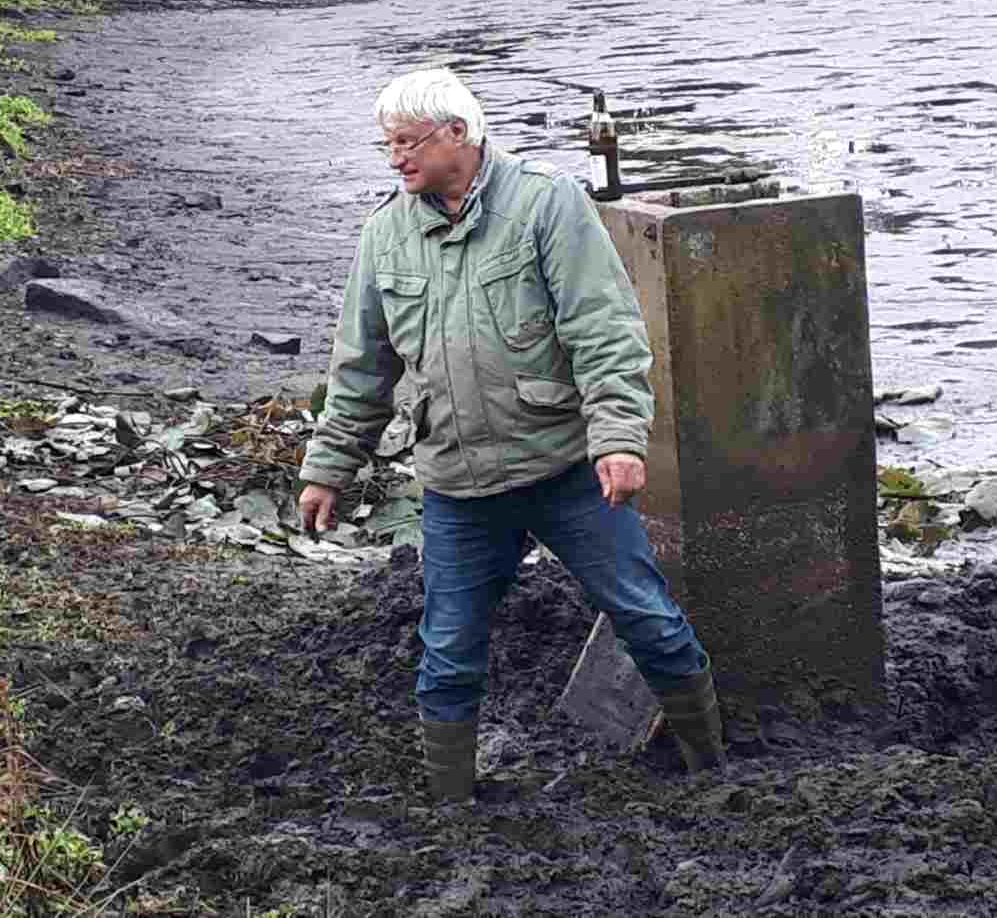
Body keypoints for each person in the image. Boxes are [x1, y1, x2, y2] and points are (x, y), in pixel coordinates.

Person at [296, 67, 722, 805]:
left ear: (459, 134)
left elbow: (605, 331)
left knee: (647, 619)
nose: (395, 158)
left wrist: (619, 438)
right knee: (449, 654)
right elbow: (362, 368)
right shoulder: (385, 236)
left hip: (565, 472)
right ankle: (452, 806)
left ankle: (711, 769)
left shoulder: (547, 205)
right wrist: (327, 468)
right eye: (387, 144)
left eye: (408, 142)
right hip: (460, 487)